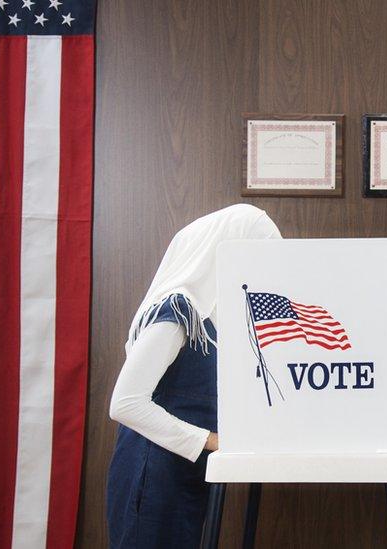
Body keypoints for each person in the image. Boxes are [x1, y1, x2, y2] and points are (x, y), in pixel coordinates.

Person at [106, 204, 281, 548]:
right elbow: (125, 404)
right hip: (152, 474)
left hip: (181, 473)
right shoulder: (177, 311)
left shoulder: (208, 319)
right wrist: (211, 440)